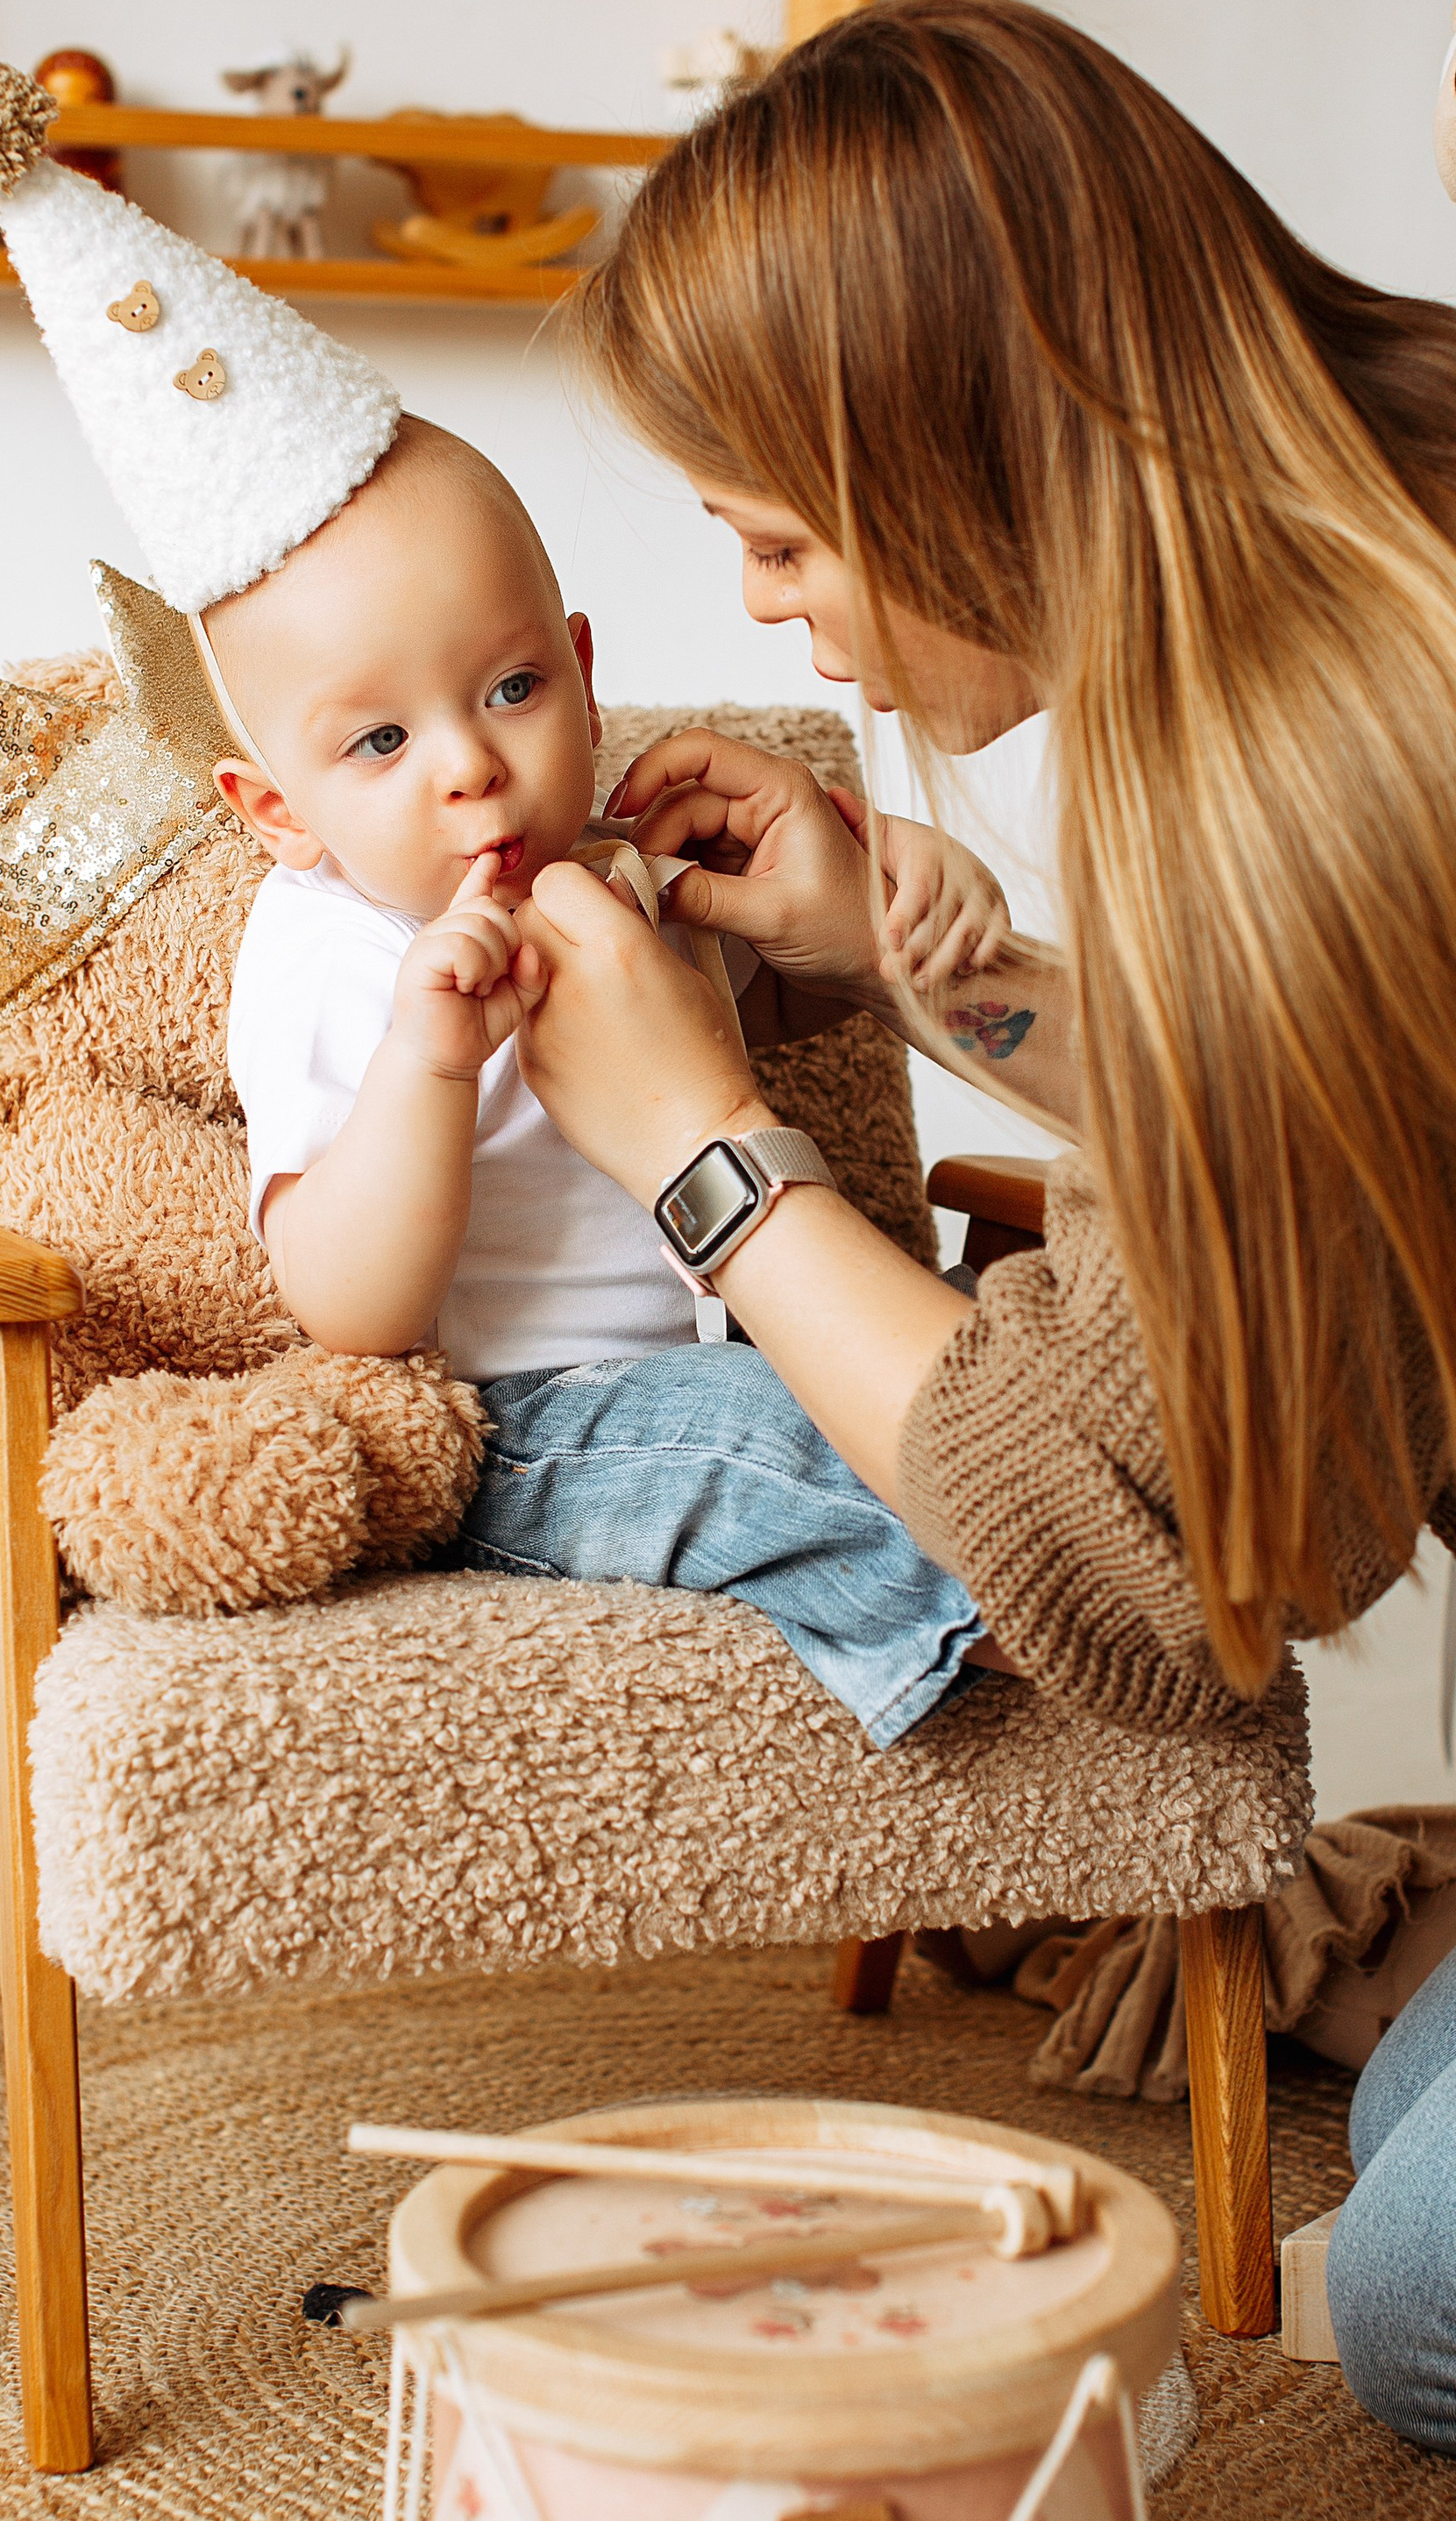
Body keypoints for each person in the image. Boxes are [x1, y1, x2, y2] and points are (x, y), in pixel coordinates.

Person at [494, 0, 1456, 2475]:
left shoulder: (1350, 768)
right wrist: (940, 978)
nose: (771, 606)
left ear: (957, 448)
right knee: (1438, 2094)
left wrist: (701, 1152)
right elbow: (1400, 1139)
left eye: (779, 533)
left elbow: (1152, 1556)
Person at [207, 409, 1013, 1750]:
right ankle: (1020, 1598)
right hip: (541, 1419)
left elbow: (786, 992)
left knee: (1003, 1344)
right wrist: (430, 1063)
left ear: (582, 676)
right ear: (280, 810)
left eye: (511, 688)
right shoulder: (336, 954)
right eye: (381, 742)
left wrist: (903, 912)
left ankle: (1058, 1519)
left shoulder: (617, 869)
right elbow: (349, 1307)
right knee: (771, 1441)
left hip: (773, 1337)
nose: (472, 766)